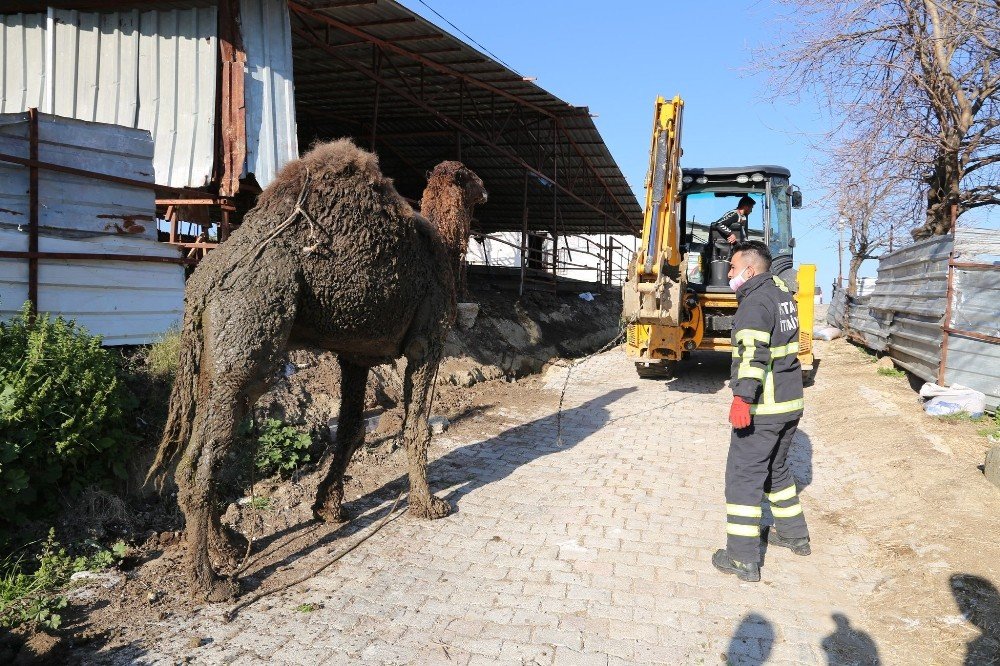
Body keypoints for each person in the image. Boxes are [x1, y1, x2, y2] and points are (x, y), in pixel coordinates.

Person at [712, 240, 809, 582]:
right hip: (789, 403)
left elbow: (753, 355)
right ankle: (794, 535)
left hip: (763, 408)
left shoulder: (755, 303)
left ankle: (741, 559)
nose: (730, 275)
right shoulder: (782, 295)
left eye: (734, 269)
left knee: (743, 478)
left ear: (750, 270)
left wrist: (742, 398)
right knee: (777, 470)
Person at [710, 195, 755, 261]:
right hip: (725, 251)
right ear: (746, 207)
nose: (751, 211)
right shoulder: (734, 214)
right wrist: (730, 233)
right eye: (751, 208)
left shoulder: (742, 217)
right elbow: (718, 224)